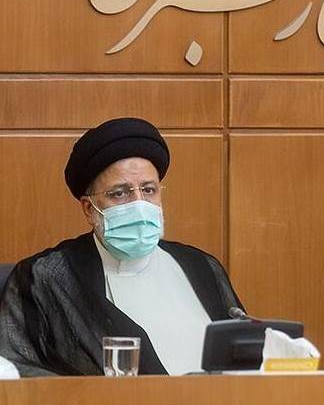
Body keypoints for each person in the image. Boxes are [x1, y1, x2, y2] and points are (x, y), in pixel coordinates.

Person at [0, 118, 244, 377]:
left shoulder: (203, 266)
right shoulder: (46, 277)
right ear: (89, 208)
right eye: (119, 193)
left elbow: (245, 357)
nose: (139, 204)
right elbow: (14, 369)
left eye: (148, 190)